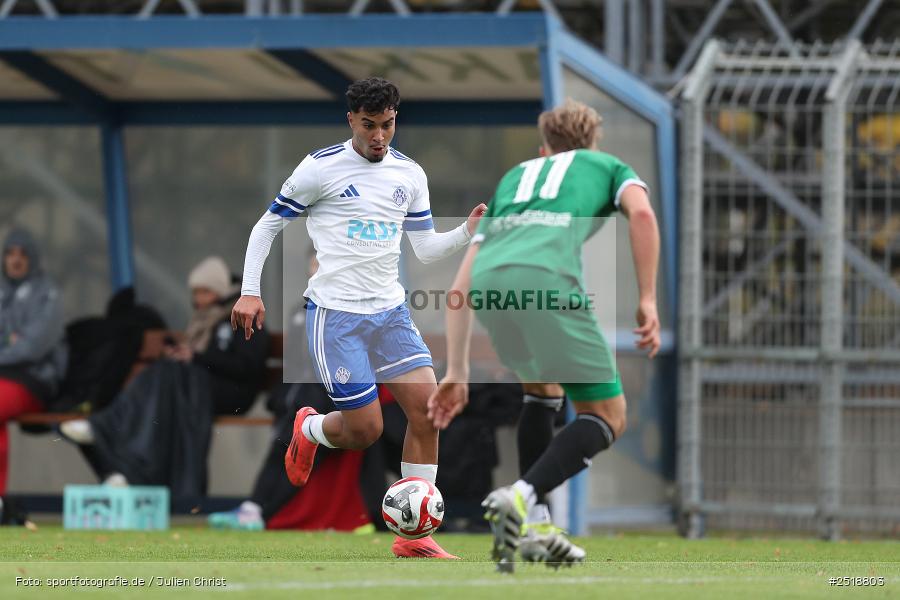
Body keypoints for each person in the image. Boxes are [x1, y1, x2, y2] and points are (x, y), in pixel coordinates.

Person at [231, 77, 485, 559]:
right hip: (336, 316)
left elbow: (425, 249)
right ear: (351, 120)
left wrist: (465, 233)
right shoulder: (319, 168)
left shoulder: (410, 174)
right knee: (364, 431)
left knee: (427, 411)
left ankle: (415, 538)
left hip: (389, 313)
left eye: (387, 125)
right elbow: (267, 226)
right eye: (369, 125)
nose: (379, 136)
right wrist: (249, 292)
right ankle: (309, 429)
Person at [427, 99, 662, 571]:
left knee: (542, 391)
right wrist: (648, 298)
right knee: (609, 415)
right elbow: (641, 216)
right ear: (592, 144)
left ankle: (535, 527)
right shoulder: (608, 166)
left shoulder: (516, 178)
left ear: (543, 148)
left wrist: (456, 370)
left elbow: (459, 288)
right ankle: (521, 495)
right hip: (546, 282)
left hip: (493, 285)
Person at [60, 256, 269, 498]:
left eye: (205, 292)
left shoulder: (244, 313)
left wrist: (195, 358)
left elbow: (247, 367)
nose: (198, 299)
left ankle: (106, 432)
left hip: (230, 394)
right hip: (194, 387)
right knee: (165, 374)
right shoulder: (206, 317)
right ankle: (124, 467)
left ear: (219, 290)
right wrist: (187, 356)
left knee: (167, 374)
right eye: (196, 292)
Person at [0, 228, 67, 496]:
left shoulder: (48, 294)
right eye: (10, 253)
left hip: (34, 381)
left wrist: (10, 347)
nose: (16, 260)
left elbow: (32, 347)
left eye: (22, 254)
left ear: (33, 259)